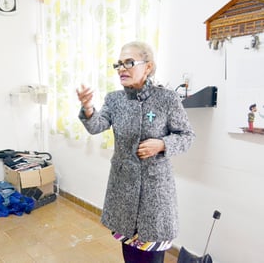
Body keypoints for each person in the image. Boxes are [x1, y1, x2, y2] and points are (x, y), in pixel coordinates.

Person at [76, 41, 195, 263]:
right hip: (123, 190)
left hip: (154, 192)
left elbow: (187, 136)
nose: (121, 68)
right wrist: (88, 108)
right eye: (118, 64)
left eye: (128, 62)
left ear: (148, 67)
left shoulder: (166, 99)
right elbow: (96, 126)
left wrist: (161, 144)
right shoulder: (114, 99)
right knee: (130, 253)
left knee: (151, 255)